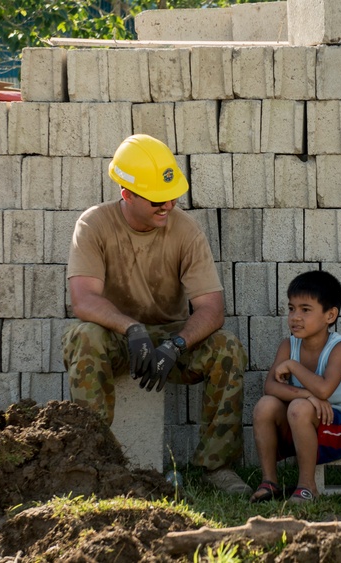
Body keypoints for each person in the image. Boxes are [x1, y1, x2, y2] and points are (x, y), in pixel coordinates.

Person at [62, 134, 250, 493]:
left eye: (173, 196)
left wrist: (177, 345)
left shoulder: (185, 230)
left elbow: (212, 308)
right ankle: (97, 464)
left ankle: (217, 467)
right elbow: (83, 300)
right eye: (157, 199)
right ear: (127, 194)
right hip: (116, 338)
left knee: (227, 348)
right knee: (84, 337)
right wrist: (132, 329)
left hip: (169, 340)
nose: (168, 205)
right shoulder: (94, 225)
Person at [250, 270, 341, 503]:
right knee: (265, 406)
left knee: (299, 407)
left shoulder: (340, 347)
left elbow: (324, 391)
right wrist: (307, 396)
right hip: (304, 422)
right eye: (291, 308)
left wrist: (292, 366)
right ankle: (269, 482)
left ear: (330, 315)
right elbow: (270, 387)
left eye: (305, 310)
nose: (295, 317)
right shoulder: (288, 344)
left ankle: (307, 486)